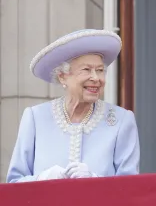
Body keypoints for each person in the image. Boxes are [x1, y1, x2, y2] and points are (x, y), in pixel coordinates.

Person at [7, 29, 140, 182]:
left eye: (100, 70)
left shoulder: (121, 120)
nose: (96, 78)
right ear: (63, 77)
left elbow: (130, 188)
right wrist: (43, 178)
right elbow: (14, 183)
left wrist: (95, 180)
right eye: (86, 70)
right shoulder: (35, 118)